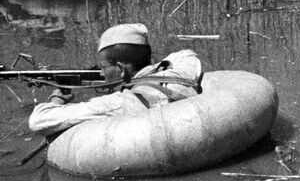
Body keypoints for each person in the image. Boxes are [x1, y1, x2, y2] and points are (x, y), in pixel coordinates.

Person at [28, 23, 202, 135]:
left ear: (120, 69)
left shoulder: (120, 103)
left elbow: (38, 120)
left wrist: (57, 98)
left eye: (103, 68)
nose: (102, 74)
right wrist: (153, 70)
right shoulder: (182, 70)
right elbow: (186, 53)